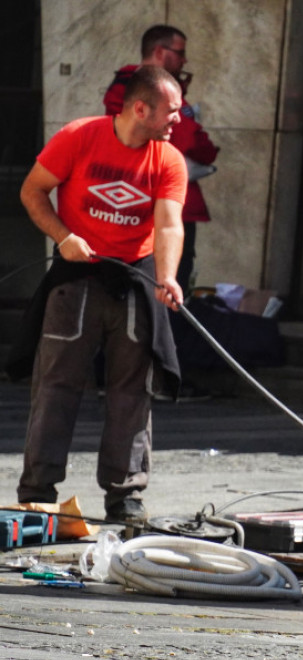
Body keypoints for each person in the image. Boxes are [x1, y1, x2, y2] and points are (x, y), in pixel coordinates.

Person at [9, 65, 186, 524]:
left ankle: (125, 495)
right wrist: (62, 236)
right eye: (172, 110)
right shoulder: (78, 137)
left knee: (133, 391)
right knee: (56, 385)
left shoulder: (168, 159)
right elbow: (33, 192)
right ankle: (38, 491)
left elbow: (169, 223)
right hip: (77, 275)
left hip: (135, 279)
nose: (178, 120)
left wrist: (167, 276)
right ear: (141, 108)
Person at [104, 25, 218, 299]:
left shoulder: (162, 93)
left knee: (172, 289)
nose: (184, 60)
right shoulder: (127, 89)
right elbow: (193, 141)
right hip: (139, 199)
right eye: (179, 53)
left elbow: (202, 146)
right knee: (142, 292)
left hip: (170, 200)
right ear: (158, 51)